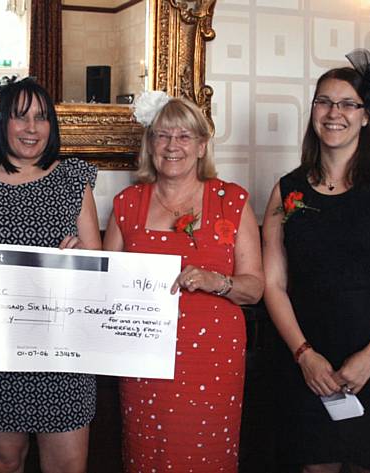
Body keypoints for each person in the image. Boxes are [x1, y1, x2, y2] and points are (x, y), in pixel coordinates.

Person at [262, 49, 370, 473]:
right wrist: (304, 355)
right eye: (323, 101)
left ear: (366, 116)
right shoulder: (287, 190)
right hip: (310, 363)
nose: (334, 112)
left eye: (348, 103)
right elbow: (273, 284)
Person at [103, 93, 264, 472]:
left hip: (212, 358)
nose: (172, 145)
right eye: (162, 136)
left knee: (206, 454)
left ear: (202, 145)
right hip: (143, 357)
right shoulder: (127, 203)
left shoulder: (232, 200)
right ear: (150, 144)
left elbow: (255, 286)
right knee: (148, 453)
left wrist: (217, 281)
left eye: (184, 136)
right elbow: (107, 286)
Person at [0, 77, 101, 473]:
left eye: (42, 118)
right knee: (4, 462)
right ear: (1, 121)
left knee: (69, 465)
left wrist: (83, 258)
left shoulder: (74, 178)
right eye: (20, 117)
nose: (33, 128)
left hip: (64, 352)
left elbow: (95, 263)